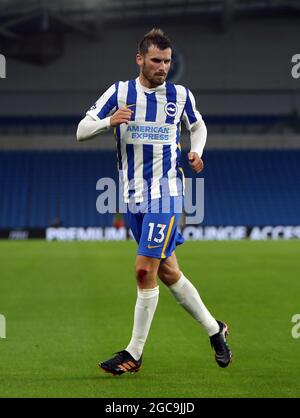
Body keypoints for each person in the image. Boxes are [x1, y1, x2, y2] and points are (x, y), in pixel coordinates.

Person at [76, 28, 232, 375]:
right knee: (168, 271)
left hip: (167, 194)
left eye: (167, 61)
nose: (162, 67)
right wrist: (108, 122)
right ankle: (214, 329)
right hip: (130, 197)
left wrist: (195, 151)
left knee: (143, 269)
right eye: (156, 60)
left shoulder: (180, 95)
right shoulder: (120, 92)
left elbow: (199, 126)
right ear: (140, 59)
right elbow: (81, 130)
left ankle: (134, 354)